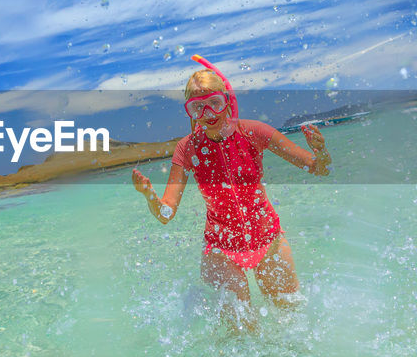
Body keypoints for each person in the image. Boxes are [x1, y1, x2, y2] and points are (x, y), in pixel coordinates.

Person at [131, 55, 331, 330]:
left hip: (268, 239)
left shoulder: (253, 132)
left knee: (292, 322)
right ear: (189, 112)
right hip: (221, 250)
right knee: (242, 333)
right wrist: (150, 197)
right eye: (198, 108)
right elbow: (166, 214)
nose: (208, 114)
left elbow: (317, 168)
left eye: (214, 103)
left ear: (226, 100)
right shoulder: (187, 149)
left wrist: (320, 151)